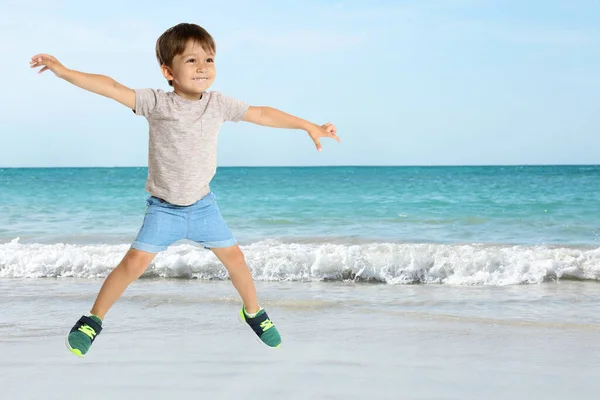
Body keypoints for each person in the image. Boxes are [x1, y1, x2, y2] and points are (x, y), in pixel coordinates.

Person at [30, 22, 339, 357]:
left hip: (204, 206)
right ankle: (92, 321)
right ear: (168, 71)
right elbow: (111, 86)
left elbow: (262, 113)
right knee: (133, 264)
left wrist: (310, 126)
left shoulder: (218, 104)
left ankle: (254, 312)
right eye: (191, 61)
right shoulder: (156, 103)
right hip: (164, 209)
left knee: (236, 259)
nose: (202, 67)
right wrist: (63, 71)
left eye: (208, 60)